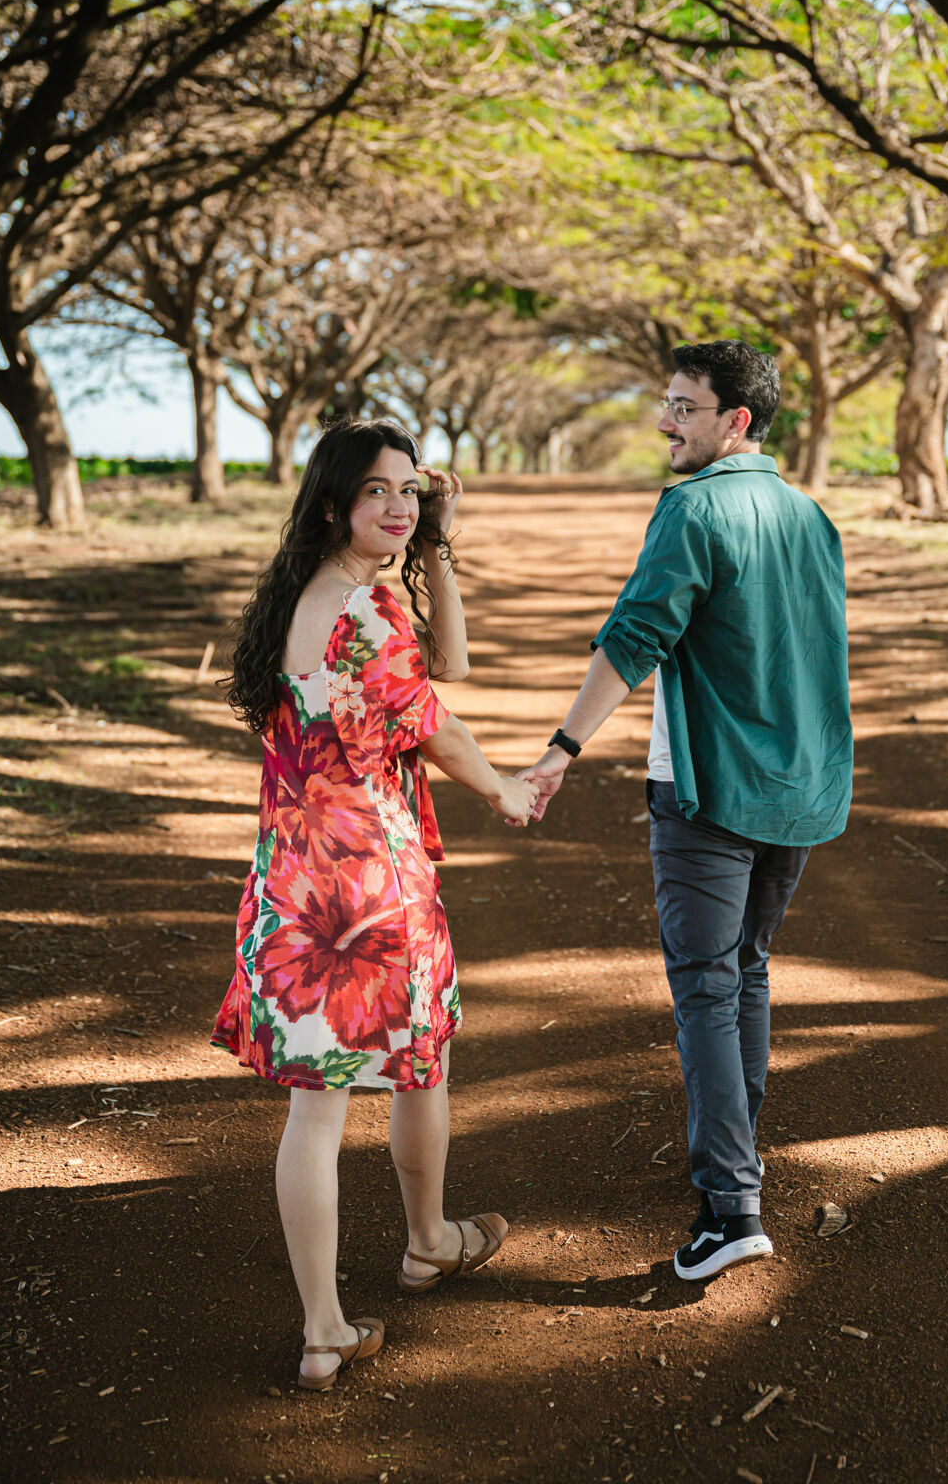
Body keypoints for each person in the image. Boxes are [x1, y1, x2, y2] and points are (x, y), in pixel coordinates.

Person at [212, 418, 536, 1391]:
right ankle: (427, 1239)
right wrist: (504, 790)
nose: (397, 506)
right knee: (416, 1059)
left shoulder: (302, 601)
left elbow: (448, 662)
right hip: (369, 882)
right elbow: (440, 719)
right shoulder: (368, 613)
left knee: (317, 1111)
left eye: (409, 491)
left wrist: (431, 544)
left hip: (289, 882)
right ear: (332, 505)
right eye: (378, 493)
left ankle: (326, 1329)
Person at [519, 340, 852, 1282]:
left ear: (734, 421)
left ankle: (731, 1208)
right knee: (745, 973)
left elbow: (636, 638)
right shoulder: (810, 516)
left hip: (707, 789)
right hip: (795, 785)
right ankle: (735, 1167)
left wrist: (560, 750)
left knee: (709, 984)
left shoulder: (693, 507)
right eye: (665, 404)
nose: (665, 423)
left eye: (683, 407)